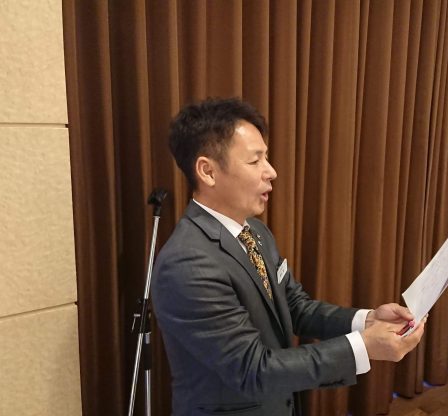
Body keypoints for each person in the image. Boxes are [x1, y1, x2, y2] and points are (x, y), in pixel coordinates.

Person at [151, 97, 427, 415]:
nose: (272, 172)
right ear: (208, 171)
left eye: (266, 158)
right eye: (255, 161)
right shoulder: (187, 263)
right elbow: (253, 369)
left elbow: (295, 307)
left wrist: (367, 320)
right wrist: (364, 346)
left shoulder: (255, 232)